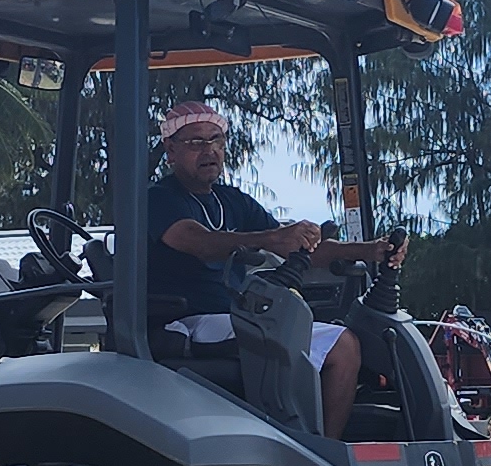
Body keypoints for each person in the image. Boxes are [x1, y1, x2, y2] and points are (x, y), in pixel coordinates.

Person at [147, 101, 405, 437]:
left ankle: (323, 450)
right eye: (196, 143)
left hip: (233, 318)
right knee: (336, 344)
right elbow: (198, 241)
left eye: (216, 141)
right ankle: (321, 460)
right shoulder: (158, 199)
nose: (209, 150)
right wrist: (272, 237)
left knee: (348, 341)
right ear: (171, 149)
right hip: (184, 322)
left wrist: (371, 249)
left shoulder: (233, 200)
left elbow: (296, 248)